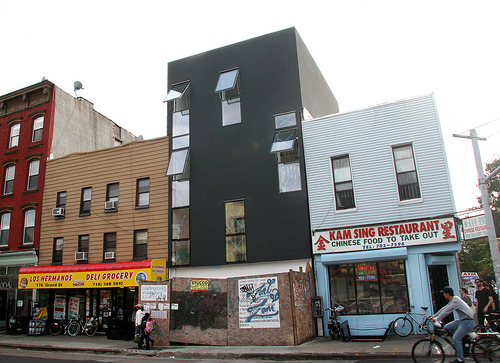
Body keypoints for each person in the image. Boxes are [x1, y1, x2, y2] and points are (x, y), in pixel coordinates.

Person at [431, 286, 475, 363]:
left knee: (456, 338)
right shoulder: (454, 299)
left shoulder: (455, 301)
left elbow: (447, 311)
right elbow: (445, 308)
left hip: (467, 322)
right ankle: (459, 344)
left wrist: (438, 319)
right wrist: (435, 315)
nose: (443, 295)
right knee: (447, 327)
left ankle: (460, 359)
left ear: (448, 294)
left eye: (444, 294)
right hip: (462, 321)